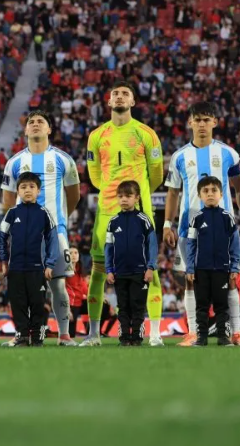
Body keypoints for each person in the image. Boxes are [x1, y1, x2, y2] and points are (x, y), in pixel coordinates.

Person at [163, 101, 240, 347]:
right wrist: (167, 225)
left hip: (224, 229)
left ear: (215, 122)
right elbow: (172, 193)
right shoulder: (179, 156)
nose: (202, 124)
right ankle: (193, 332)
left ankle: (236, 333)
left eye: (206, 120)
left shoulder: (228, 153)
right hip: (188, 230)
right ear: (190, 123)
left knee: (232, 278)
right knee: (191, 279)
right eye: (197, 120)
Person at [84, 82, 165, 347]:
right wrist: (111, 194)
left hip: (140, 211)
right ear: (108, 102)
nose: (120, 97)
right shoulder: (96, 136)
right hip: (107, 211)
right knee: (98, 271)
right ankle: (94, 334)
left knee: (149, 271)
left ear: (133, 101)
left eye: (125, 94)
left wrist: (139, 194)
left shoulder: (146, 133)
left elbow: (156, 174)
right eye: (115, 93)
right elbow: (95, 176)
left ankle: (154, 334)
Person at [2, 110, 81, 346]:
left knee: (58, 284)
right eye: (31, 122)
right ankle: (23, 334)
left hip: (55, 232)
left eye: (41, 122)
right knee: (21, 288)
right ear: (25, 130)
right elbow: (7, 201)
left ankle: (64, 335)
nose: (35, 125)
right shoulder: (14, 162)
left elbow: (74, 195)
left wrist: (59, 220)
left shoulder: (63, 159)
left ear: (49, 129)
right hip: (24, 236)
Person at [0, 172, 58, 347]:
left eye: (32, 187)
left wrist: (50, 264)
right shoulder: (12, 213)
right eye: (23, 187)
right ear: (17, 191)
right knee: (18, 304)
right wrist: (3, 261)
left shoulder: (44, 213)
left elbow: (52, 239)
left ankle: (37, 337)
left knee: (37, 304)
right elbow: (1, 236)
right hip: (15, 268)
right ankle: (22, 336)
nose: (27, 190)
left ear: (39, 191)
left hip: (37, 268)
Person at [184, 176, 240, 347]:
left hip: (222, 269)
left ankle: (223, 338)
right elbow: (190, 244)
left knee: (221, 305)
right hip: (201, 269)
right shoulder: (196, 219)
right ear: (200, 195)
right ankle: (201, 338)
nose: (210, 194)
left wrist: (234, 266)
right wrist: (190, 268)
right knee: (201, 305)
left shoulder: (227, 218)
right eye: (205, 191)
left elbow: (235, 245)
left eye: (214, 190)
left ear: (221, 194)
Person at [104, 181, 158, 347]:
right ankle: (124, 338)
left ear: (137, 198)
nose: (124, 199)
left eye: (128, 196)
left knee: (137, 306)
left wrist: (150, 267)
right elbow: (108, 248)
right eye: (120, 196)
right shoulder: (113, 222)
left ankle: (136, 337)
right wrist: (109, 270)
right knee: (123, 307)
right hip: (120, 272)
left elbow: (153, 245)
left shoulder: (144, 220)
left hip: (140, 272)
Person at [66, 248, 87, 338]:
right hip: (70, 304)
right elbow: (60, 291)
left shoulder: (80, 270)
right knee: (71, 335)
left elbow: (85, 288)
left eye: (76, 253)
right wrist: (67, 308)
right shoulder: (64, 271)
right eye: (71, 253)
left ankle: (94, 333)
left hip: (80, 302)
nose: (74, 255)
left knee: (103, 307)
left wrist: (100, 298)